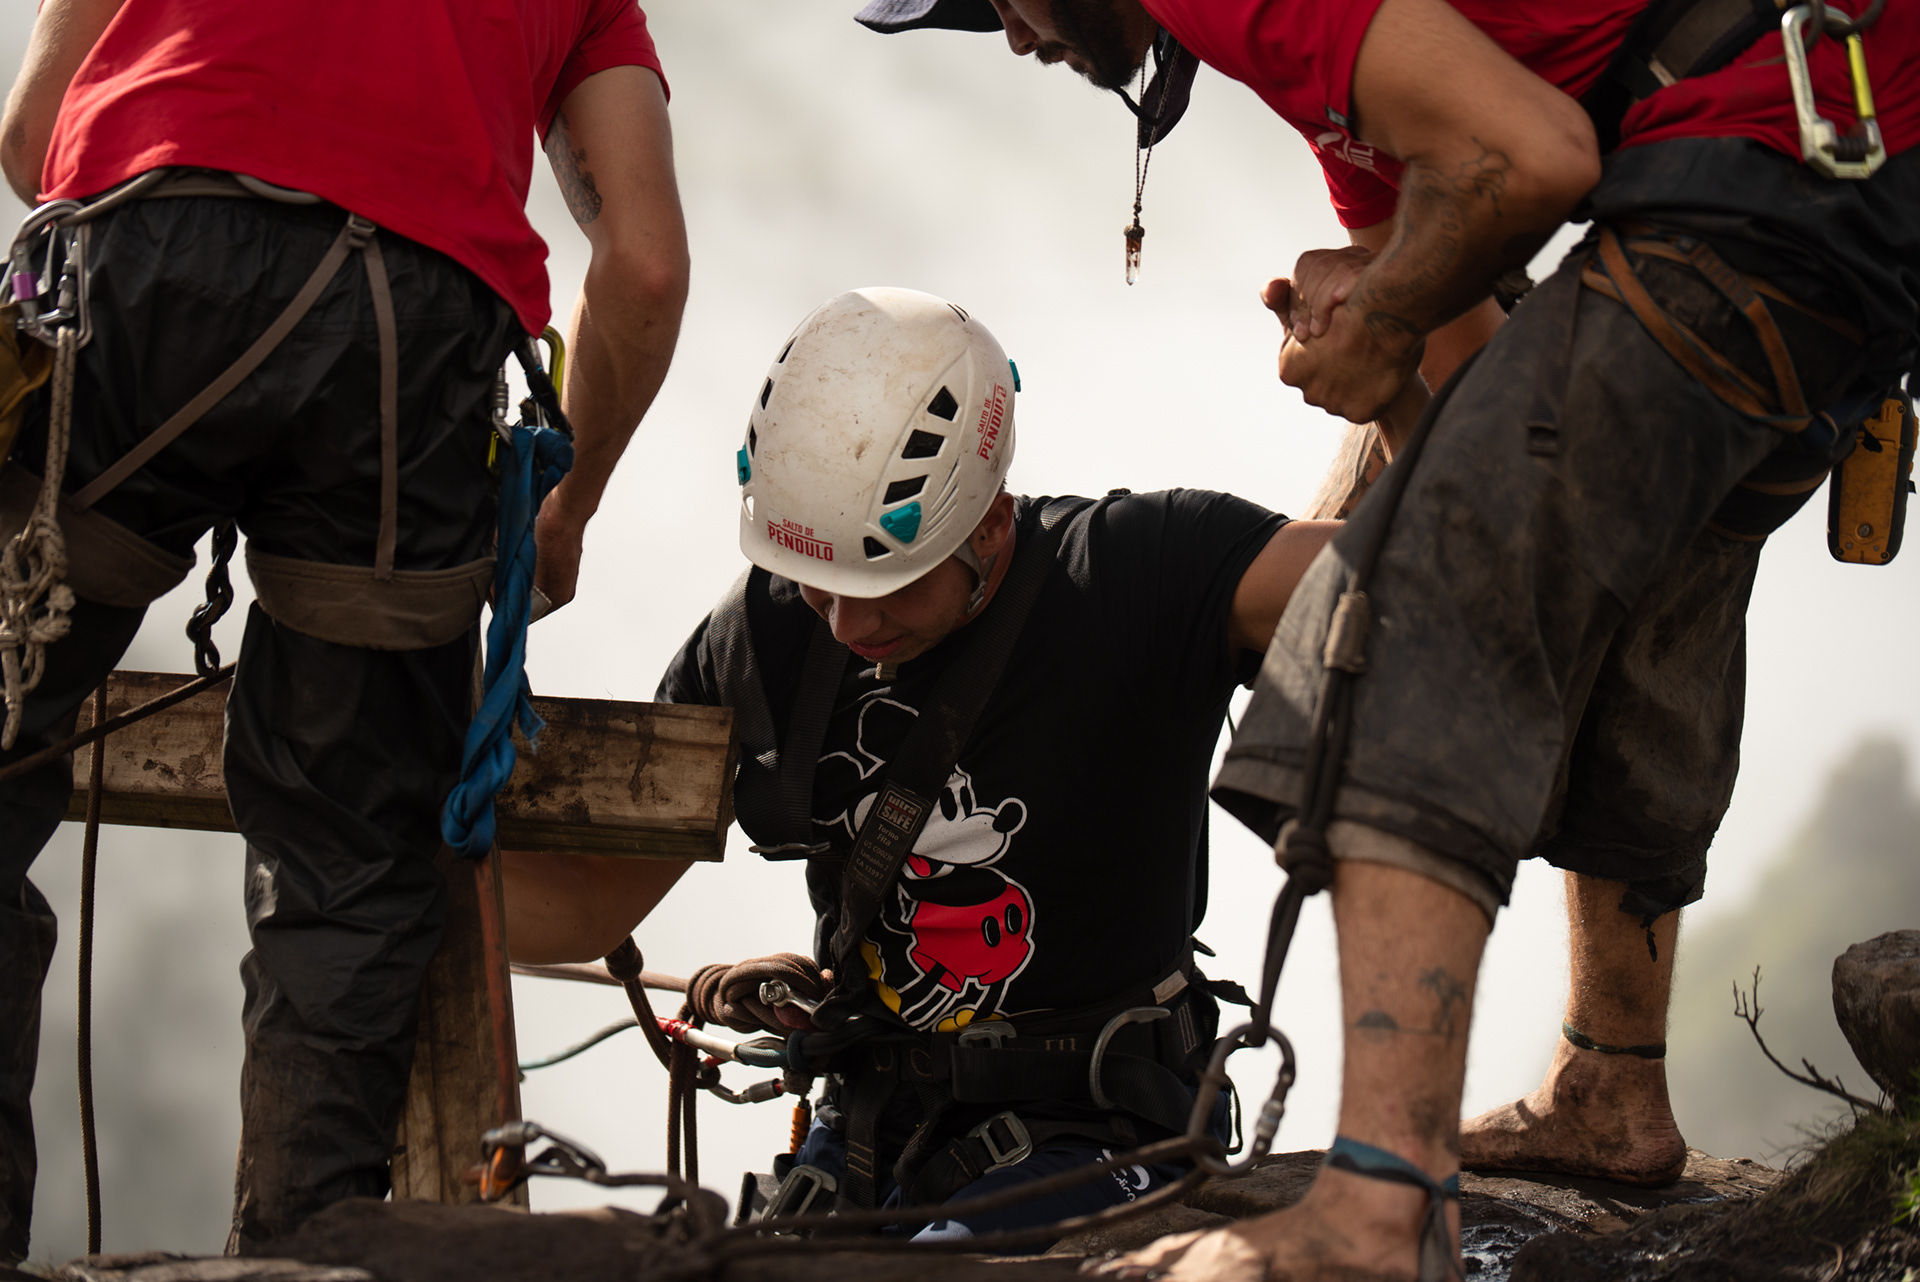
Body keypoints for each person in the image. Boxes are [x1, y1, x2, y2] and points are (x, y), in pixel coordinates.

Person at [851, 0, 1920, 1276]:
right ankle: (1610, 1079)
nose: (1016, 36)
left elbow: (1532, 159)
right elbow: (1472, 397)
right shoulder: (1356, 93)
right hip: (1837, 147)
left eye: (999, 1)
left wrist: (1384, 313)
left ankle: (1377, 1215)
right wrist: (1393, 341)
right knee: (1629, 546)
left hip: (1783, 158)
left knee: (1409, 602)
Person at [0, 0, 689, 1257]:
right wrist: (563, 508)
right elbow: (643, 264)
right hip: (410, 337)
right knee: (353, 864)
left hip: (143, 260)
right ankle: (303, 1256)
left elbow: (34, 130)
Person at [503, 285, 1349, 1240]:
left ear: (988, 523)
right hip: (871, 1129)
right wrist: (397, 878)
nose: (847, 624)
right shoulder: (759, 640)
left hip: (1098, 1125)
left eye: (889, 584)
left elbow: (1404, 570)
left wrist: (1405, 377)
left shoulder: (1135, 577)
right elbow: (590, 901)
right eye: (818, 584)